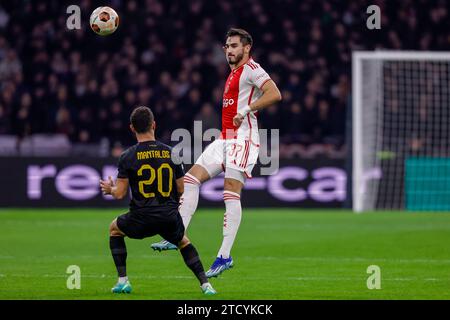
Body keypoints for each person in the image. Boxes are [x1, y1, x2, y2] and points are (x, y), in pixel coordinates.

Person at [151, 28, 282, 278]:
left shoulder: (253, 69)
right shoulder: (234, 72)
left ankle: (224, 255)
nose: (229, 50)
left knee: (230, 193)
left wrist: (247, 110)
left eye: (234, 46)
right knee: (189, 180)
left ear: (247, 48)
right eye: (227, 46)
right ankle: (176, 234)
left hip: (244, 139)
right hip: (225, 138)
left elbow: (275, 94)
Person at [100, 106, 216, 295]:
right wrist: (171, 205)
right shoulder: (172, 153)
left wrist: (109, 189)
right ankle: (206, 285)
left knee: (114, 229)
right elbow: (181, 188)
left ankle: (123, 281)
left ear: (132, 128)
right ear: (154, 125)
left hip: (140, 218)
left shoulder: (127, 156)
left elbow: (120, 194)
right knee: (184, 242)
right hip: (168, 215)